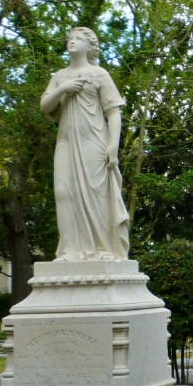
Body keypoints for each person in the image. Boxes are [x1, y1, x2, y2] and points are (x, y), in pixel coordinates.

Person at [40, 27, 129, 261]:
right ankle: (69, 250)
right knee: (62, 191)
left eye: (78, 38)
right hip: (66, 142)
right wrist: (63, 89)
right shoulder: (59, 76)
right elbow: (45, 106)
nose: (72, 41)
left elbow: (113, 112)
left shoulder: (100, 74)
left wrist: (113, 145)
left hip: (94, 140)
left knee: (95, 193)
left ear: (90, 47)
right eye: (70, 38)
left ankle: (102, 249)